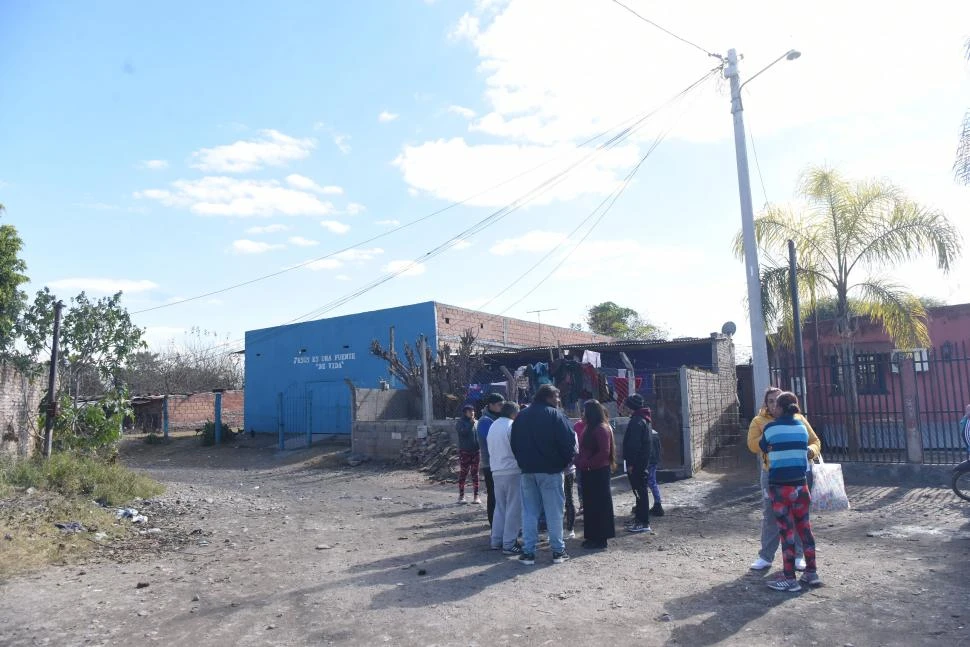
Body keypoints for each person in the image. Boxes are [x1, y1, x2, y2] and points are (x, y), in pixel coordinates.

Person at [747, 386, 821, 572]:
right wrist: (770, 443)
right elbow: (753, 444)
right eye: (770, 401)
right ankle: (766, 556)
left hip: (797, 474)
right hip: (771, 474)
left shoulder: (799, 420)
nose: (774, 405)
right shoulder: (759, 421)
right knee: (770, 515)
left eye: (777, 401)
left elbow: (815, 441)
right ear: (766, 403)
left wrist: (810, 452)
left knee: (798, 517)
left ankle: (798, 556)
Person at [510, 384, 577, 565]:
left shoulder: (521, 416)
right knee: (554, 512)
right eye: (556, 397)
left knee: (529, 512)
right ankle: (558, 551)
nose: (558, 400)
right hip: (551, 471)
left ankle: (528, 552)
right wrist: (563, 463)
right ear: (548, 397)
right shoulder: (556, 415)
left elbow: (514, 443)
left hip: (527, 471)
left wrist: (523, 462)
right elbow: (569, 442)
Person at [575, 399, 616, 550]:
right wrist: (579, 461)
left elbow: (604, 452)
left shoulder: (601, 429)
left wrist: (587, 464)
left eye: (585, 411)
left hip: (598, 472)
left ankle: (601, 538)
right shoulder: (590, 427)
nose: (582, 414)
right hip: (589, 471)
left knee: (600, 505)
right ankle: (591, 536)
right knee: (590, 505)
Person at [487, 402, 523, 554]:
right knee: (514, 508)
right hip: (512, 470)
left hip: (496, 470)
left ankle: (496, 539)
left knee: (500, 507)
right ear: (514, 413)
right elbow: (518, 448)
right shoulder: (512, 426)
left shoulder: (493, 425)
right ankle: (509, 543)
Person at [622, 394, 654, 533]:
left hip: (637, 464)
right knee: (639, 492)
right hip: (641, 463)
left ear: (631, 407)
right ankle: (639, 519)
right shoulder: (643, 419)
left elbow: (633, 445)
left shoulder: (637, 421)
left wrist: (630, 464)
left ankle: (643, 522)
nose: (624, 408)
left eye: (626, 406)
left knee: (640, 492)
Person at [477, 393, 505, 526]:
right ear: (491, 405)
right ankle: (494, 523)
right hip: (490, 464)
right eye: (499, 405)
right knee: (493, 495)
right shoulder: (484, 421)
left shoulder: (497, 419)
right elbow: (494, 440)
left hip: (500, 463)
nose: (502, 407)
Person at [455, 404, 480, 504]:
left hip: (476, 452)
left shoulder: (477, 423)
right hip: (465, 452)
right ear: (465, 413)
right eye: (469, 411)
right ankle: (461, 496)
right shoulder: (460, 423)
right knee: (463, 474)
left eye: (473, 411)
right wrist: (470, 424)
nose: (472, 413)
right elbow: (463, 433)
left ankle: (476, 496)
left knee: (475, 474)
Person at [647, 424, 664, 517]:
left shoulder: (648, 433)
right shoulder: (654, 433)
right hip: (653, 461)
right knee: (652, 482)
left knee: (650, 482)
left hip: (649, 462)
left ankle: (657, 505)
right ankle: (657, 504)